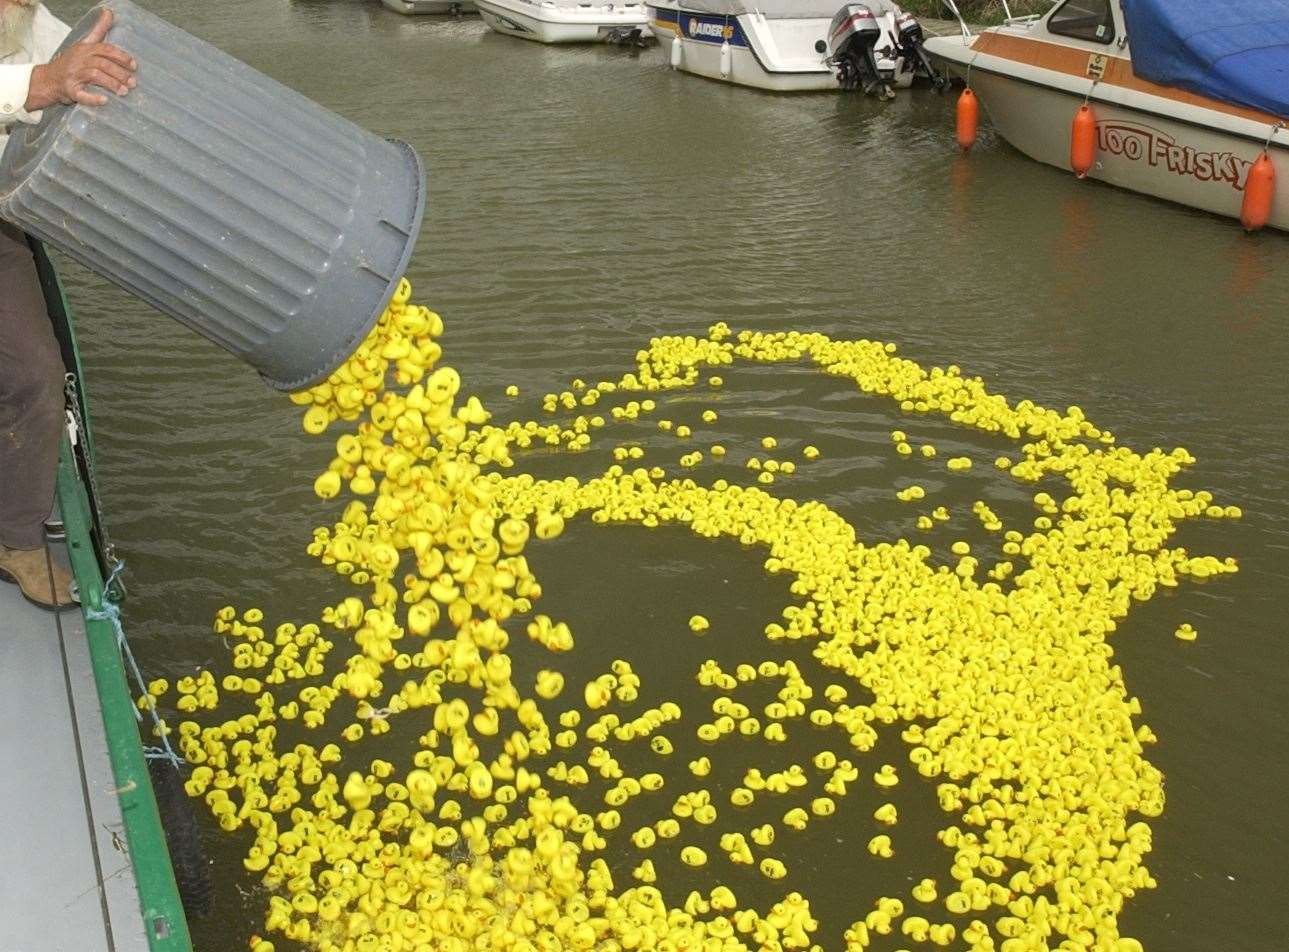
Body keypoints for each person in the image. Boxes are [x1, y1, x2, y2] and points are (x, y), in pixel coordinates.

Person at [0, 0, 135, 610]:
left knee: (35, 373)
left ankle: (15, 538)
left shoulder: (24, 12)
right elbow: (47, 78)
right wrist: (42, 82)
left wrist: (123, 60)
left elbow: (72, 53)